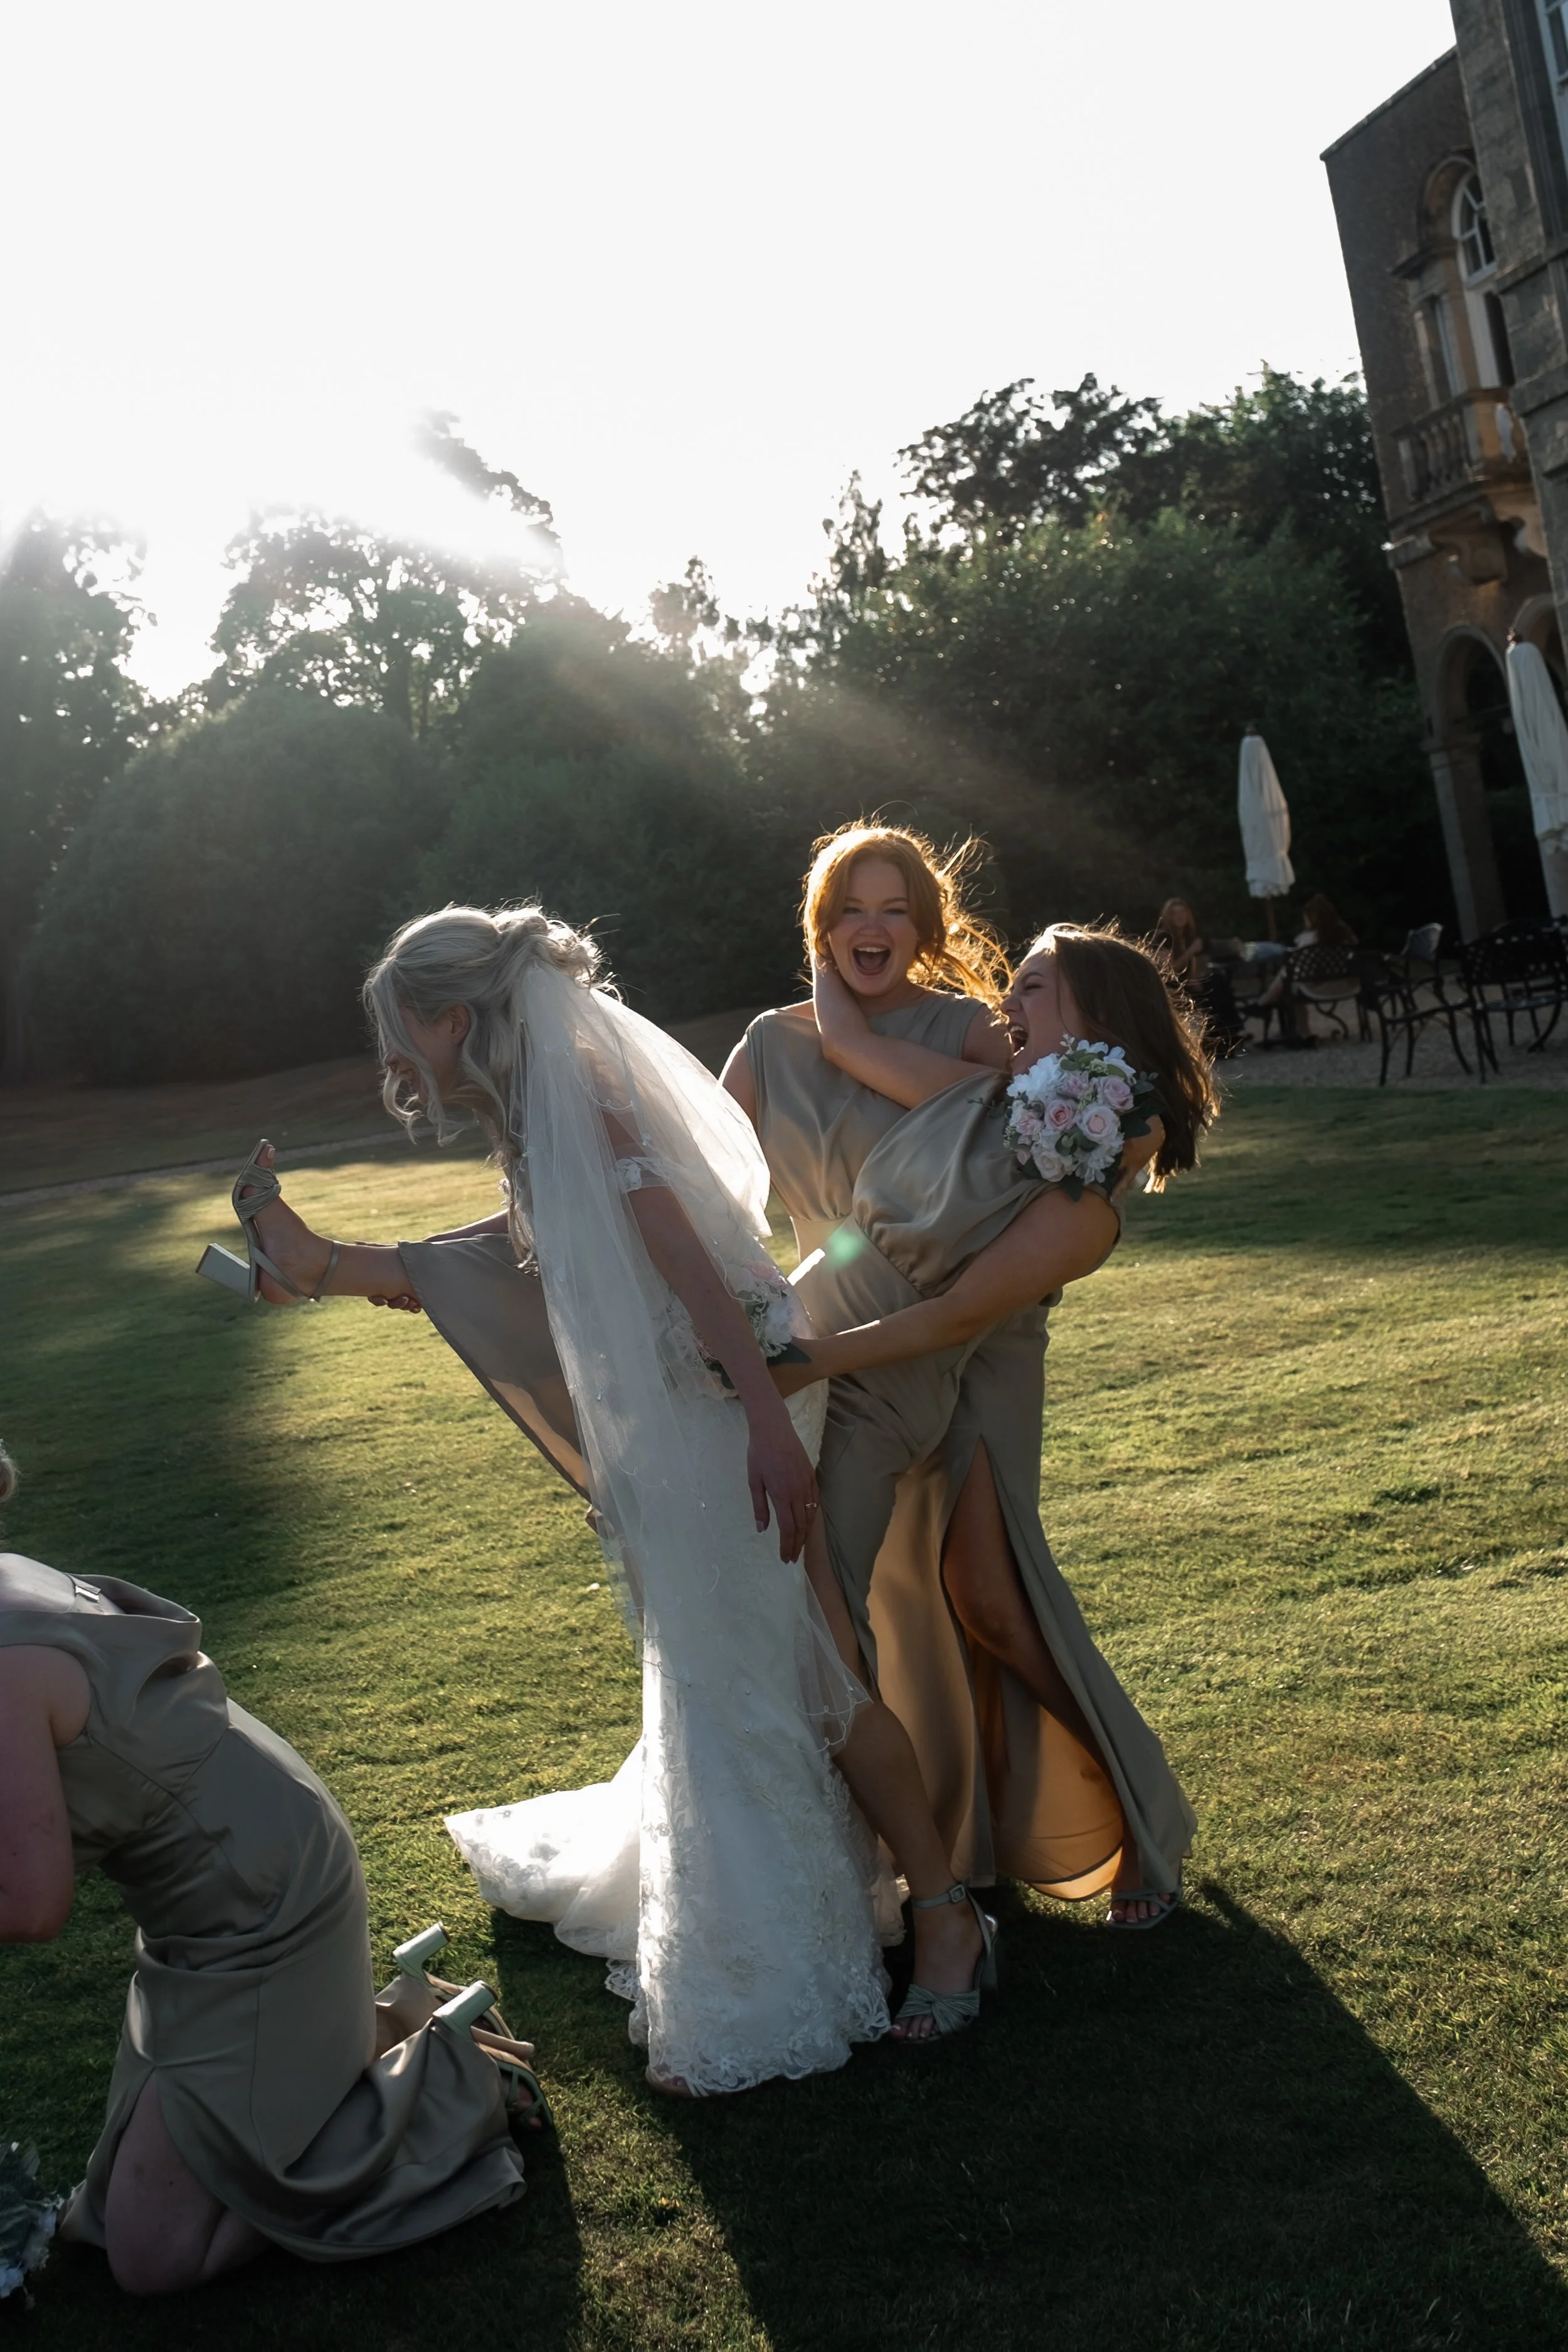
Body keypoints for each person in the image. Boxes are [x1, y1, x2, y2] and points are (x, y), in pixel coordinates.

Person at [206, 906, 891, 2098]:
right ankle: (858, 1907)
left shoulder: (583, 1092)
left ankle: (764, 1983)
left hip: (714, 1413)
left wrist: (767, 1425)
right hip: (679, 1421)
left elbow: (682, 1257)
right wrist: (320, 1264)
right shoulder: (538, 1105)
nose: (396, 1054)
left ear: (454, 1017)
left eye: (401, 1028)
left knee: (734, 1677)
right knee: (728, 1669)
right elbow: (517, 1254)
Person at [0, 1440, 531, 2297]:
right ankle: (338, 2050)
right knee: (126, 2210)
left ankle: (453, 2078)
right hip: (227, 1879)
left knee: (151, 2258)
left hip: (261, 1905)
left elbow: (29, 1902)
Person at [782, 922, 1216, 1954]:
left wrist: (807, 1358)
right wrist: (832, 928)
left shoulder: (1113, 1130)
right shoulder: (988, 1085)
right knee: (911, 1590)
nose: (1003, 1006)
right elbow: (848, 1041)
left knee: (991, 1592)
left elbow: (1014, 1266)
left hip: (990, 1347)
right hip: (906, 1332)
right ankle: (935, 1834)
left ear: (1097, 1013)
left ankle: (1140, 1813)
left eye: (1030, 987)